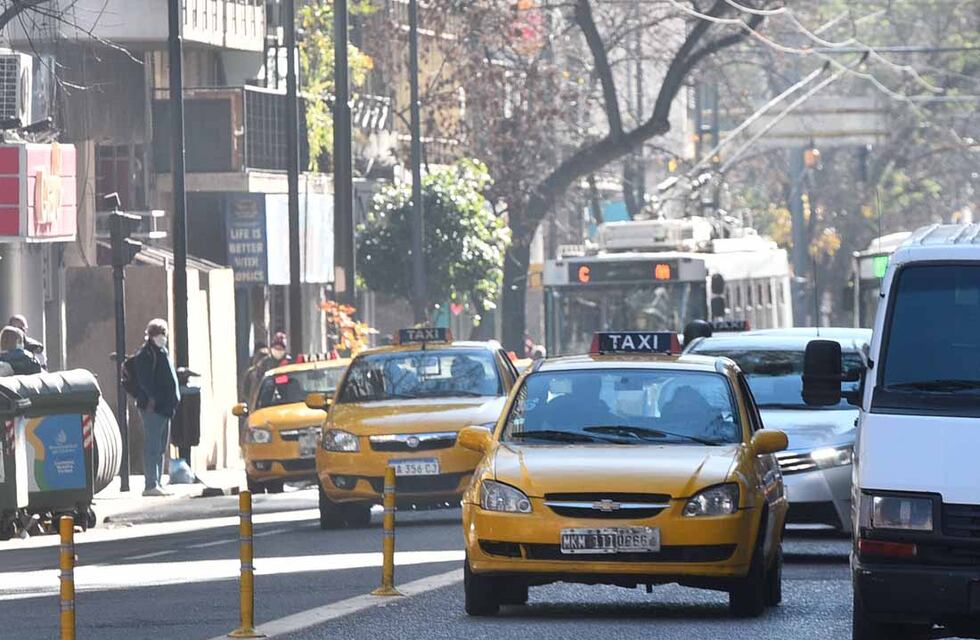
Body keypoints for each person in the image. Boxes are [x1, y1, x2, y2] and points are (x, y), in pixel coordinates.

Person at [133, 319, 180, 497]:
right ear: (151, 335)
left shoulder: (162, 352)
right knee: (152, 446)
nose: (162, 337)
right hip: (153, 408)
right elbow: (145, 381)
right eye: (159, 334)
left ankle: (157, 482)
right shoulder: (146, 355)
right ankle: (150, 483)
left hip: (165, 408)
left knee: (161, 447)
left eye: (164, 334)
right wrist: (153, 398)